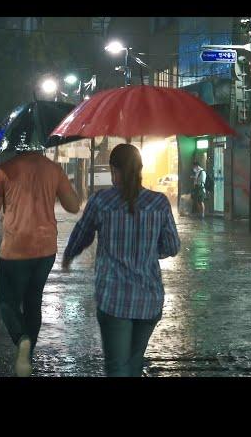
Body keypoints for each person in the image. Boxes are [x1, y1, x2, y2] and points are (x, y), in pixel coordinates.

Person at [62, 144, 180, 377]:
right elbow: (172, 247)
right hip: (149, 299)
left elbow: (82, 234)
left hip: (114, 299)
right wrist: (147, 250)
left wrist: (68, 257)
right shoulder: (159, 203)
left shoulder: (102, 201)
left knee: (116, 367)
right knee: (134, 365)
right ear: (140, 169)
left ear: (113, 170)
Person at [0, 150, 81, 377]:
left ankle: (21, 339)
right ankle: (27, 357)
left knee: (8, 301)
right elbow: (73, 206)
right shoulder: (54, 169)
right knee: (33, 300)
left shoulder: (4, 170)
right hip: (45, 251)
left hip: (15, 249)